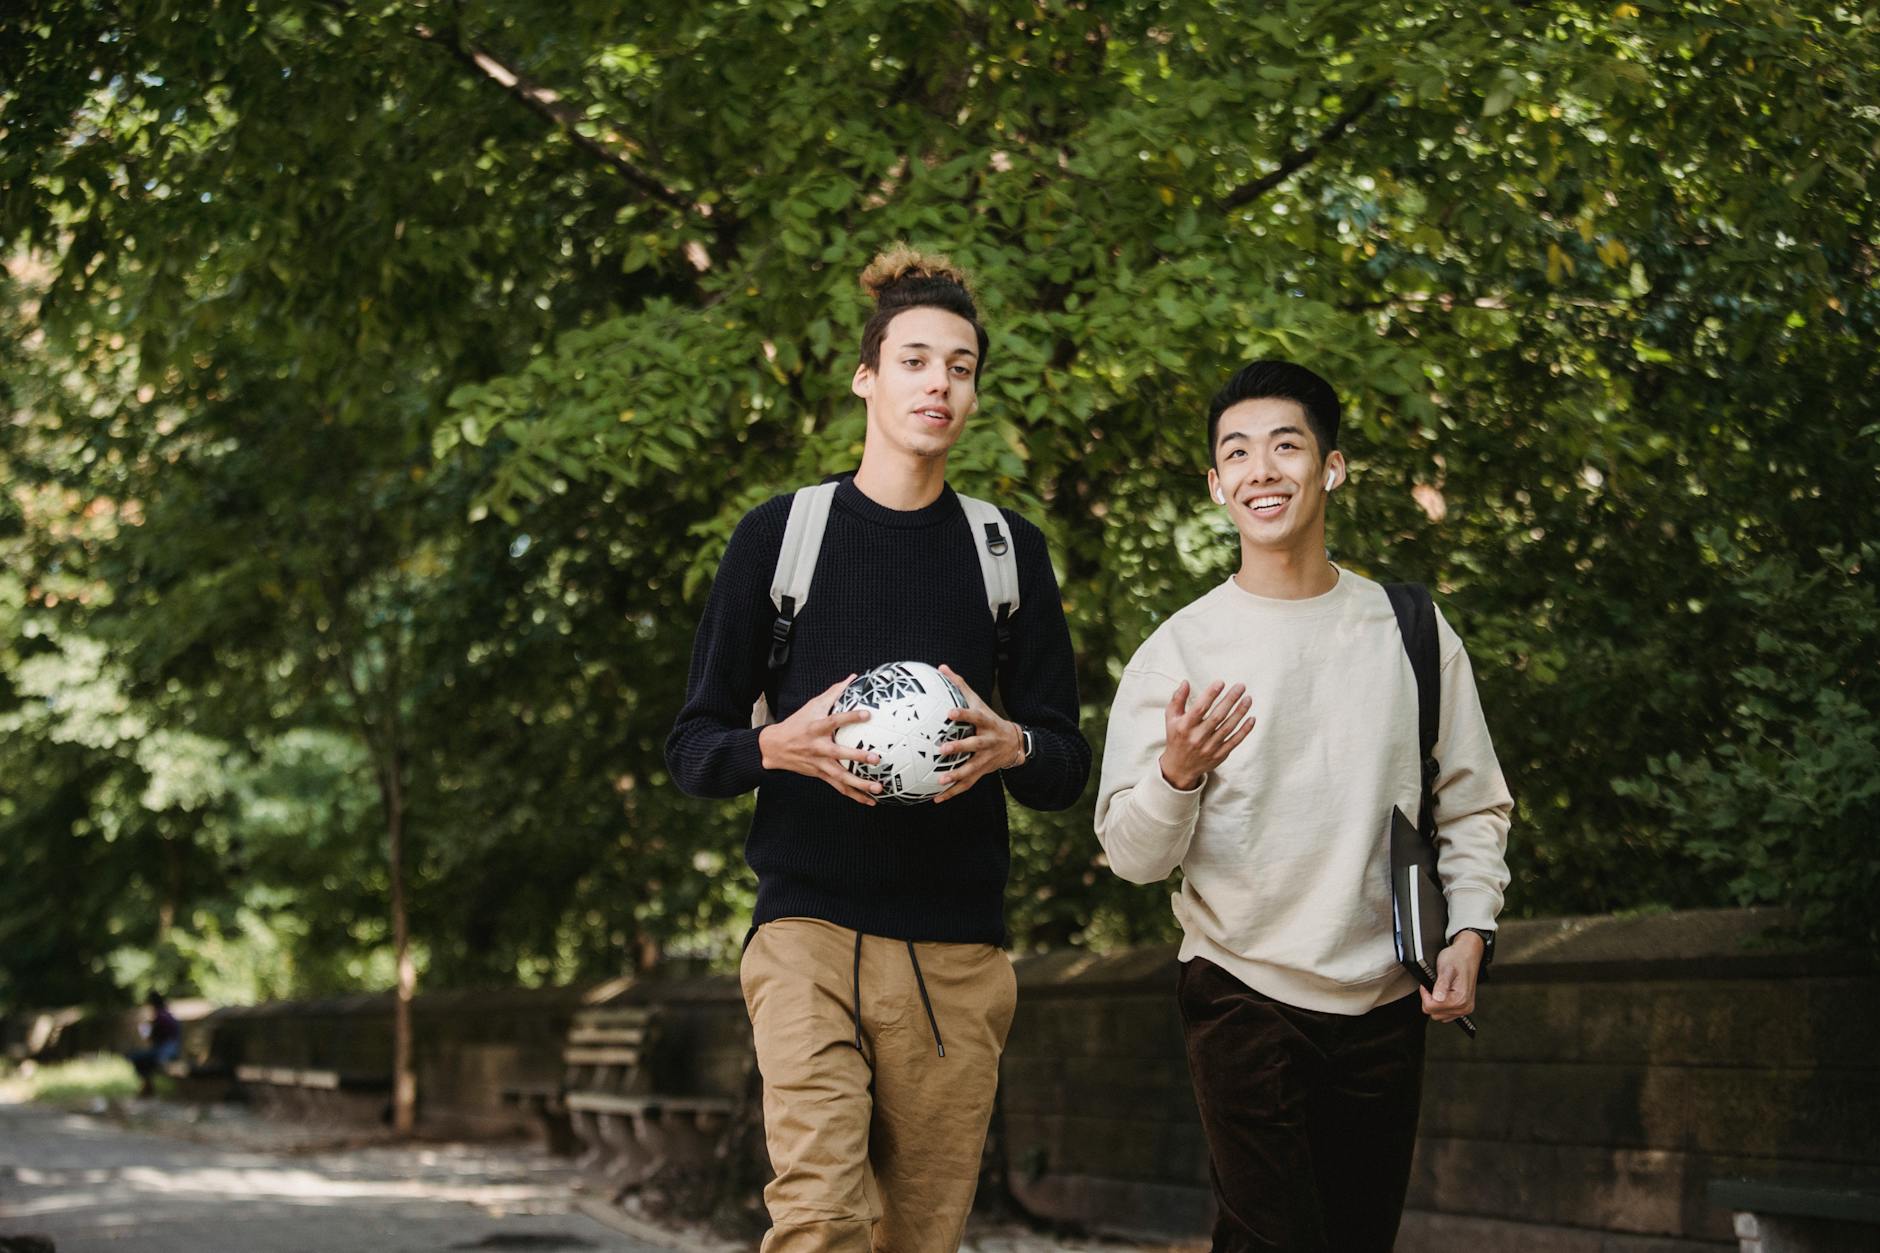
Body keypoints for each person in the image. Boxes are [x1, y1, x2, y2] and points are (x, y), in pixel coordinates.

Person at [665, 246, 1091, 1253]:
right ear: (866, 376)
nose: (936, 382)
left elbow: (1065, 762)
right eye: (912, 360)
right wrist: (775, 746)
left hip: (955, 951)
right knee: (818, 1216)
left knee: (913, 1237)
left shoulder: (1005, 552)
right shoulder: (781, 538)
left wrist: (1008, 745)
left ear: (974, 391)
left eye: (959, 365)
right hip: (805, 930)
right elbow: (693, 747)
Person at [1092, 360, 1513, 1252]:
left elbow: (1473, 804)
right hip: (1241, 988)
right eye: (1236, 453)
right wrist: (1176, 773)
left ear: (1331, 467)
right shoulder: (1181, 650)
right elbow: (1131, 854)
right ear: (1215, 485)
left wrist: (1470, 931)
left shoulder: (1411, 629)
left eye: (1286, 445)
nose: (1261, 470)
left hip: (1387, 997)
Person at [127, 990, 181, 1098]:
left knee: (136, 1058)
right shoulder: (166, 1015)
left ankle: (147, 1086)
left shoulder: (161, 1017)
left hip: (165, 1051)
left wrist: (147, 1031)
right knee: (142, 1060)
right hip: (167, 1049)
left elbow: (154, 1037)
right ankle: (147, 1087)